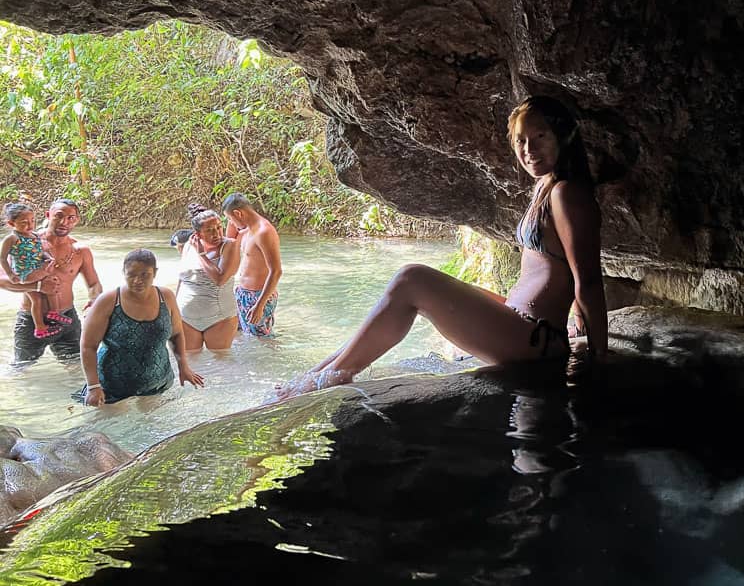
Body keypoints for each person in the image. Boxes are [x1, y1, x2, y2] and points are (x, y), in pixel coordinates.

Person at [273, 95, 608, 400]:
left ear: (563, 137)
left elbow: (588, 279)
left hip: (535, 339)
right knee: (415, 284)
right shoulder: (544, 187)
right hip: (523, 323)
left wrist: (599, 361)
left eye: (540, 136)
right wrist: (576, 321)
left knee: (412, 280)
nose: (528, 149)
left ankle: (332, 378)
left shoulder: (567, 194)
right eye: (520, 140)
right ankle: (320, 373)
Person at [79, 248, 204, 405]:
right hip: (112, 387)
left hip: (157, 383)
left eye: (145, 274)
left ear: (155, 273)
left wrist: (183, 367)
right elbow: (88, 346)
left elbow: (176, 334)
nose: (137, 280)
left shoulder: (166, 297)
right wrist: (93, 387)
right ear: (123, 272)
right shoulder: (108, 301)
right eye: (131, 274)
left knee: (157, 427)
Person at [0, 198, 102, 363]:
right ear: (48, 215)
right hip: (31, 320)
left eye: (71, 218)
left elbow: (93, 284)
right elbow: (2, 281)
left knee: (78, 369)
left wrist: (94, 301)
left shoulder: (80, 251)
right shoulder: (24, 243)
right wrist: (38, 286)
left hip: (66, 318)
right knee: (20, 371)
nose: (64, 222)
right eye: (58, 216)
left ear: (76, 220)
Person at [1, 203, 72, 339]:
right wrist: (10, 274)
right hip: (25, 274)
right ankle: (47, 319)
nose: (30, 225)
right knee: (51, 282)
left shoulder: (34, 235)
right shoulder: (12, 239)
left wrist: (49, 257)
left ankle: (45, 322)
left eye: (32, 220)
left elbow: (40, 251)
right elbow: (3, 259)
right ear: (11, 223)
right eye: (24, 222)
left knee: (38, 299)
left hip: (36, 268)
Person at [176, 203, 240, 351]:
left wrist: (201, 254)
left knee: (221, 363)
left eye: (218, 227)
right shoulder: (188, 246)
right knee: (191, 363)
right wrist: (173, 310)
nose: (216, 233)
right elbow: (182, 279)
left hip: (219, 317)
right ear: (198, 234)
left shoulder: (230, 246)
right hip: (186, 317)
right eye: (209, 230)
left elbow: (220, 279)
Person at [222, 193, 282, 337]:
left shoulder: (264, 232)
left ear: (238, 213)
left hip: (258, 297)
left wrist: (259, 305)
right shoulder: (248, 229)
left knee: (263, 342)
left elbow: (276, 271)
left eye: (230, 218)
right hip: (244, 294)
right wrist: (232, 220)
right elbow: (228, 243)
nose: (230, 222)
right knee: (244, 338)